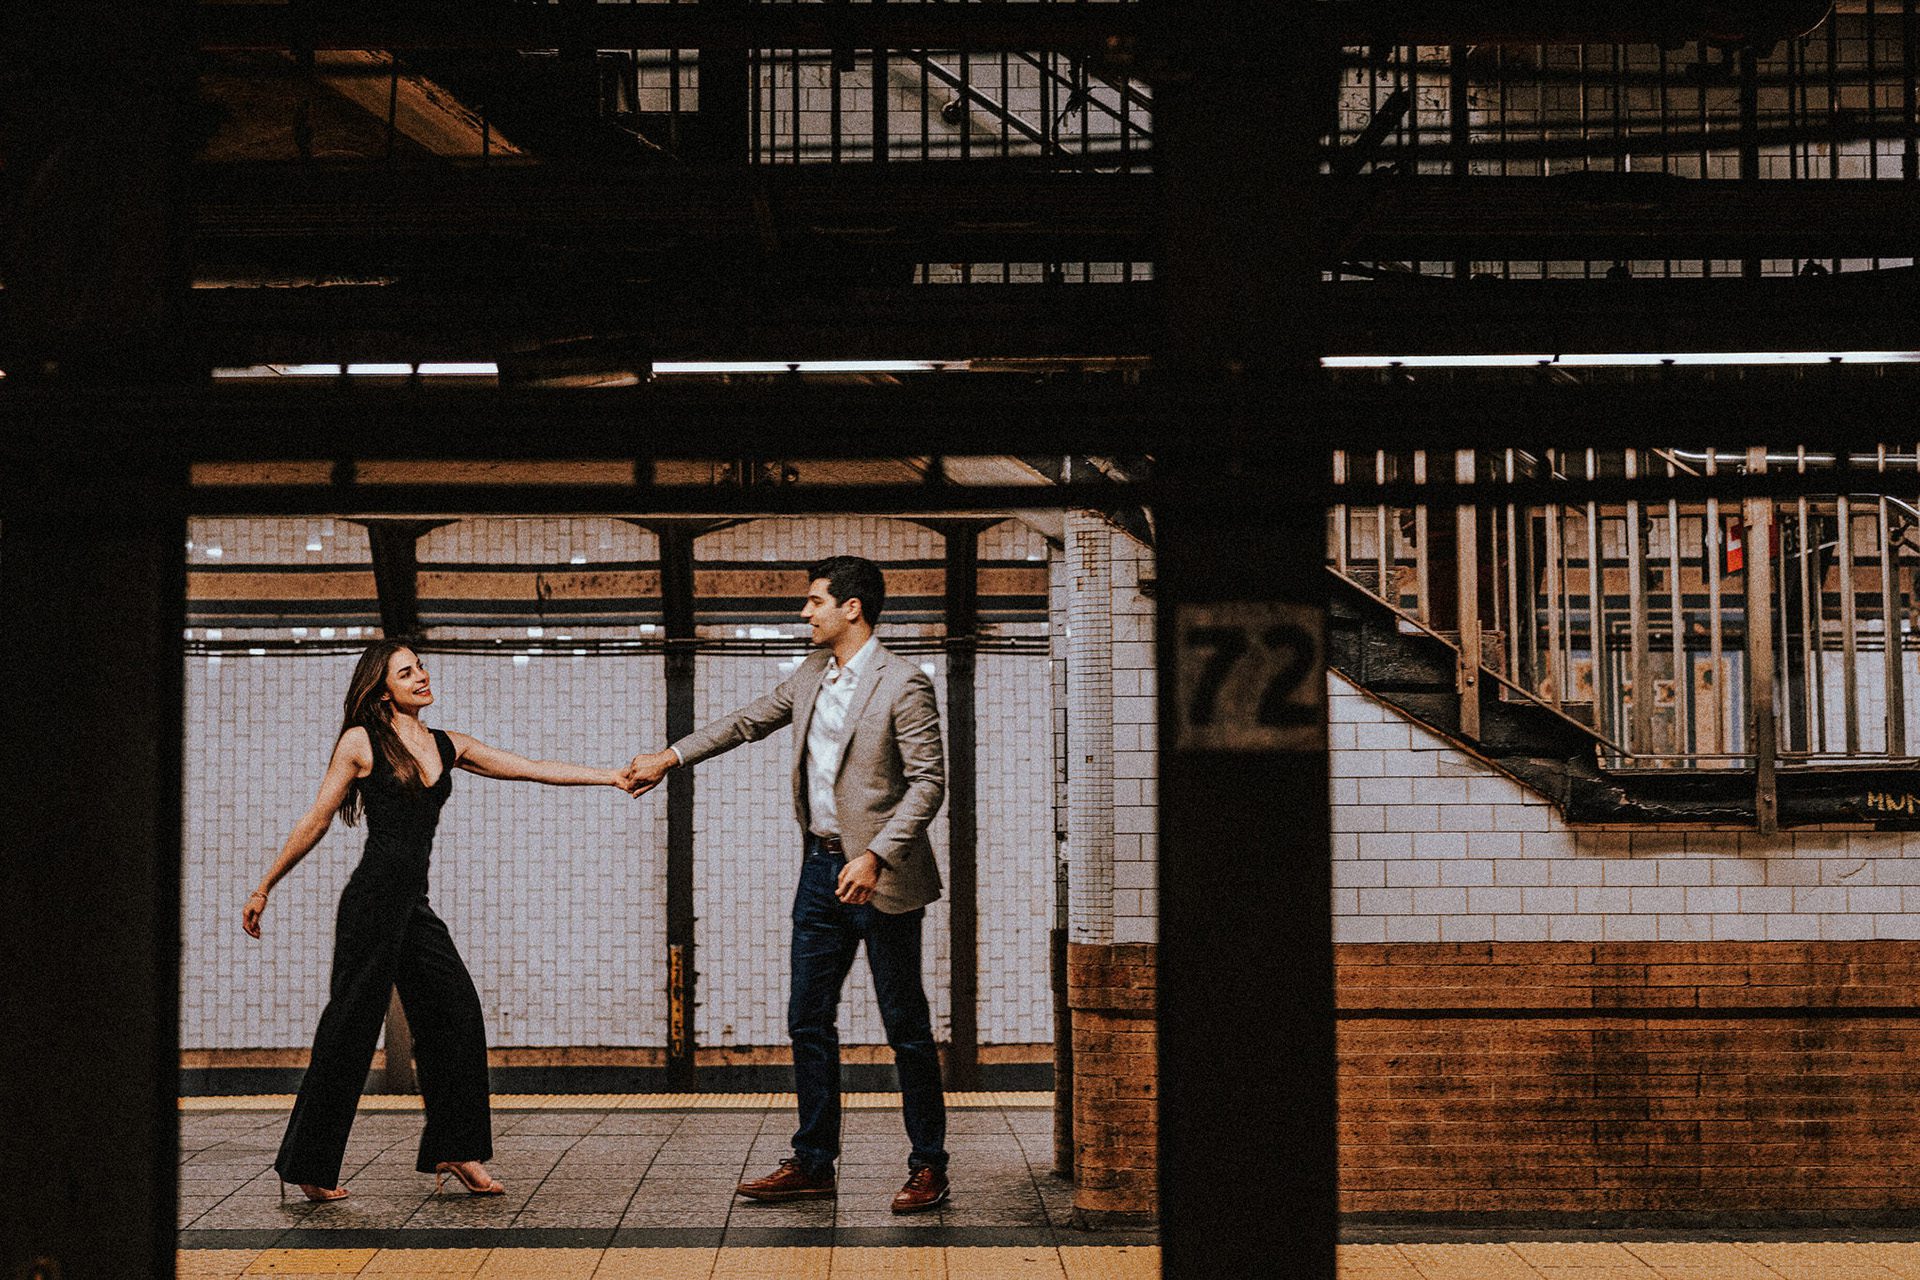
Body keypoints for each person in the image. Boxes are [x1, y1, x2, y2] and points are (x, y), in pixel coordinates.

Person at [243, 639, 631, 1203]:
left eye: (420, 666)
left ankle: (455, 1148)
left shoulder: (448, 744)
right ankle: (308, 1164)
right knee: (349, 1033)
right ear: (382, 688)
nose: (422, 676)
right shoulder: (362, 741)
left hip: (413, 907)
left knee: (457, 1013)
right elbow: (318, 817)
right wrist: (264, 886)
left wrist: (610, 777)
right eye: (407, 671)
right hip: (373, 905)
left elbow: (532, 768)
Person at [622, 554, 952, 1213]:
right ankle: (813, 1161)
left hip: (881, 878)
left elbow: (929, 783)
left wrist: (878, 855)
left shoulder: (903, 683)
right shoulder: (810, 675)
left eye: (814, 601)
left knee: (905, 1024)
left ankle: (929, 1166)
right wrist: (669, 756)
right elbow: (745, 723)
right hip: (820, 869)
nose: (805, 612)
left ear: (851, 608)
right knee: (807, 1017)